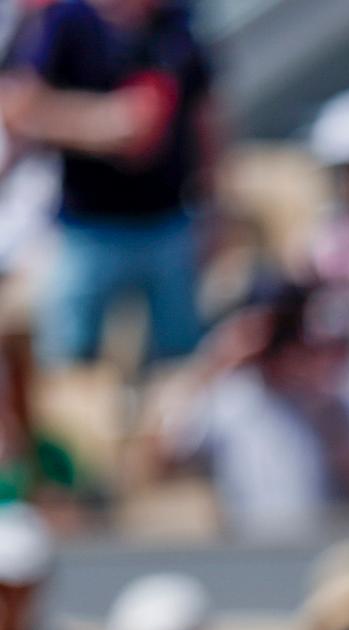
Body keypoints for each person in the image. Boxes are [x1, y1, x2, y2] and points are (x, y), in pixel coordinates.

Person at [5, 0, 217, 372]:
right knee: (67, 363)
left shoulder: (178, 25)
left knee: (179, 363)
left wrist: (214, 204)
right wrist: (97, 123)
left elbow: (206, 116)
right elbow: (19, 106)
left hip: (169, 223)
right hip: (88, 229)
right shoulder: (69, 21)